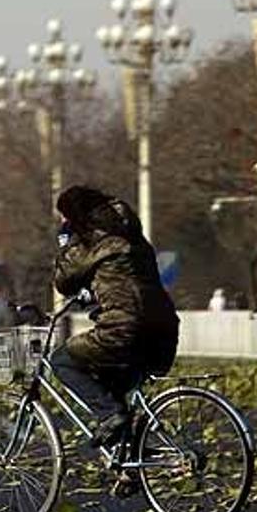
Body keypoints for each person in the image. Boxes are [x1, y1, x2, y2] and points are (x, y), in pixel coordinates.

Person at [51, 186, 180, 447]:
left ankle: (109, 415)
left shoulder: (90, 241)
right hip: (165, 329)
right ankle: (129, 466)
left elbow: (63, 282)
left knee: (62, 360)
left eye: (65, 216)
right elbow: (126, 280)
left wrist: (67, 240)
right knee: (114, 388)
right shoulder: (133, 235)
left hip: (125, 330)